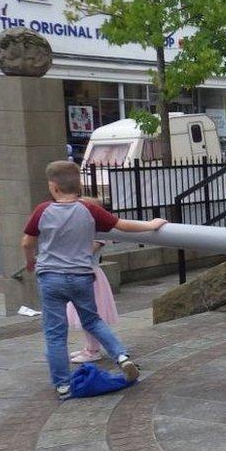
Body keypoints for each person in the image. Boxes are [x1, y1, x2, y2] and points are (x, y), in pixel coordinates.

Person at [22, 161, 167, 399]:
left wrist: (30, 262)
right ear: (78, 185)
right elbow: (121, 225)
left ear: (53, 187)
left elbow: (27, 242)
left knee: (55, 333)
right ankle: (121, 356)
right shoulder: (88, 209)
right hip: (81, 276)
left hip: (51, 277)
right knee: (92, 320)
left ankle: (63, 386)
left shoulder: (42, 210)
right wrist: (151, 225)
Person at [65, 239, 116, 364]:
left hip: (90, 276)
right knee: (83, 314)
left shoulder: (97, 233)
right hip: (81, 274)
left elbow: (85, 252)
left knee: (90, 314)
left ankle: (93, 350)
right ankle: (90, 347)